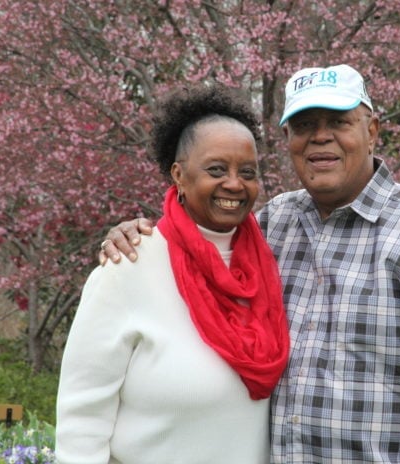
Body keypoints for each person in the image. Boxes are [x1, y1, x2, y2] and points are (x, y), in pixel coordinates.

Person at [100, 64, 400, 463]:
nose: (320, 138)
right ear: (288, 139)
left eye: (339, 122)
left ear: (372, 130)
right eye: (305, 126)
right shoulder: (269, 225)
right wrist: (141, 236)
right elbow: (194, 251)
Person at [56, 84, 290, 464]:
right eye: (216, 169)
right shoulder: (129, 264)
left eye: (247, 172)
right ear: (178, 174)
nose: (234, 183)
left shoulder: (270, 262)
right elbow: (82, 417)